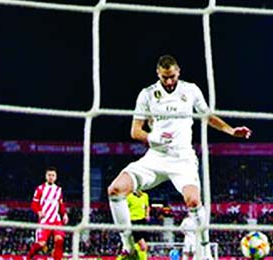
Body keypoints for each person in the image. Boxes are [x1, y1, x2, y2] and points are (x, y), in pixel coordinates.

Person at [107, 55, 252, 260]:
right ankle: (127, 246)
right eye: (164, 77)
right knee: (115, 189)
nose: (168, 81)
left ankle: (206, 252)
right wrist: (152, 137)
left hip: (182, 158)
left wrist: (231, 131)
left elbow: (207, 116)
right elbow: (135, 131)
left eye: (172, 76)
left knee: (193, 201)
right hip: (155, 157)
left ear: (178, 72)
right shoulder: (147, 94)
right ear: (158, 73)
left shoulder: (190, 90)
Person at [26, 167, 69, 260]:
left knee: (59, 240)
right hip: (44, 221)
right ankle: (28, 257)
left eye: (53, 175)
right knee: (41, 244)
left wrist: (64, 214)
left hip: (56, 220)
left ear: (56, 177)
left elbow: (61, 204)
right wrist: (38, 212)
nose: (51, 177)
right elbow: (34, 204)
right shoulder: (40, 189)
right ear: (46, 176)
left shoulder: (58, 190)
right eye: (49, 175)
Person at [127, 190, 151, 260]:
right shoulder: (129, 197)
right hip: (133, 222)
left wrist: (147, 215)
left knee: (141, 245)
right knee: (143, 245)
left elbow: (147, 207)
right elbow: (125, 209)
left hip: (143, 222)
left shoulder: (145, 196)